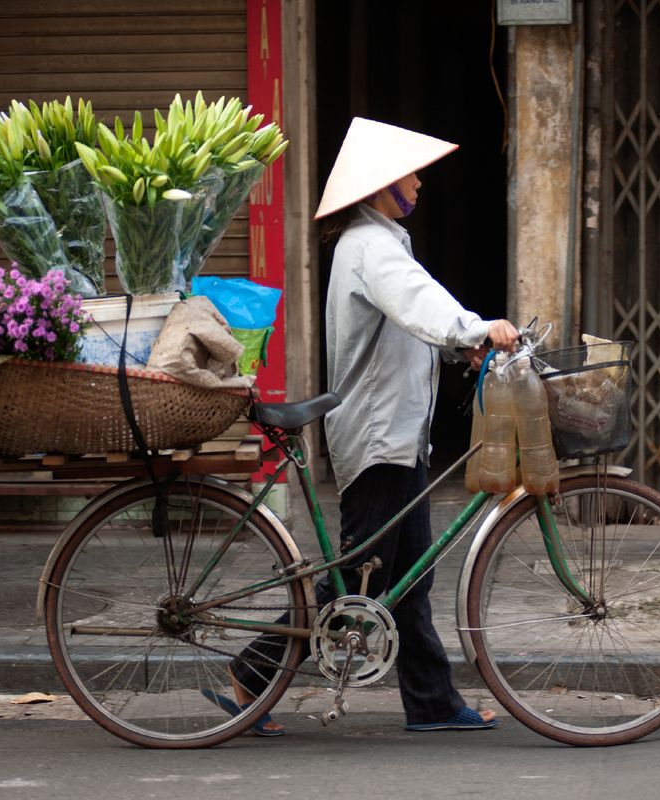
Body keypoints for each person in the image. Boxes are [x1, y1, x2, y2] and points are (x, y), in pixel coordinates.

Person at [213, 117, 518, 735]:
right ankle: (252, 672)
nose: (419, 185)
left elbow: (406, 323)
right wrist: (477, 328)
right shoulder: (370, 247)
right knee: (355, 581)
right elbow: (419, 303)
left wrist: (460, 348)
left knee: (409, 578)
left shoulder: (381, 242)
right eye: (412, 175)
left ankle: (432, 704)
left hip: (396, 436)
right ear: (382, 184)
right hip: (380, 437)